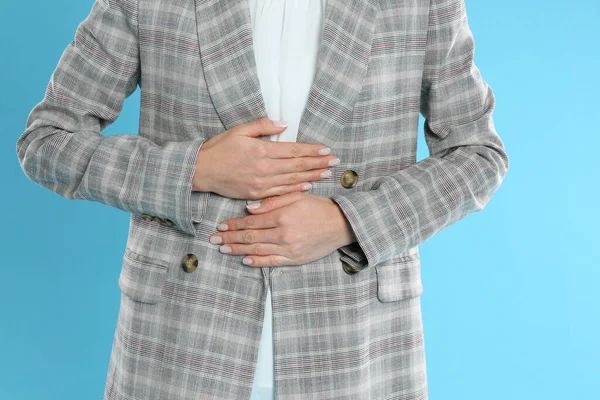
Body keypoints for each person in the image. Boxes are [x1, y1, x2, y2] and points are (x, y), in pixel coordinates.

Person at [16, 0, 509, 399]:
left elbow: (478, 154)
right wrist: (196, 169)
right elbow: (47, 141)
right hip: (179, 343)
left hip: (359, 348)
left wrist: (348, 220)